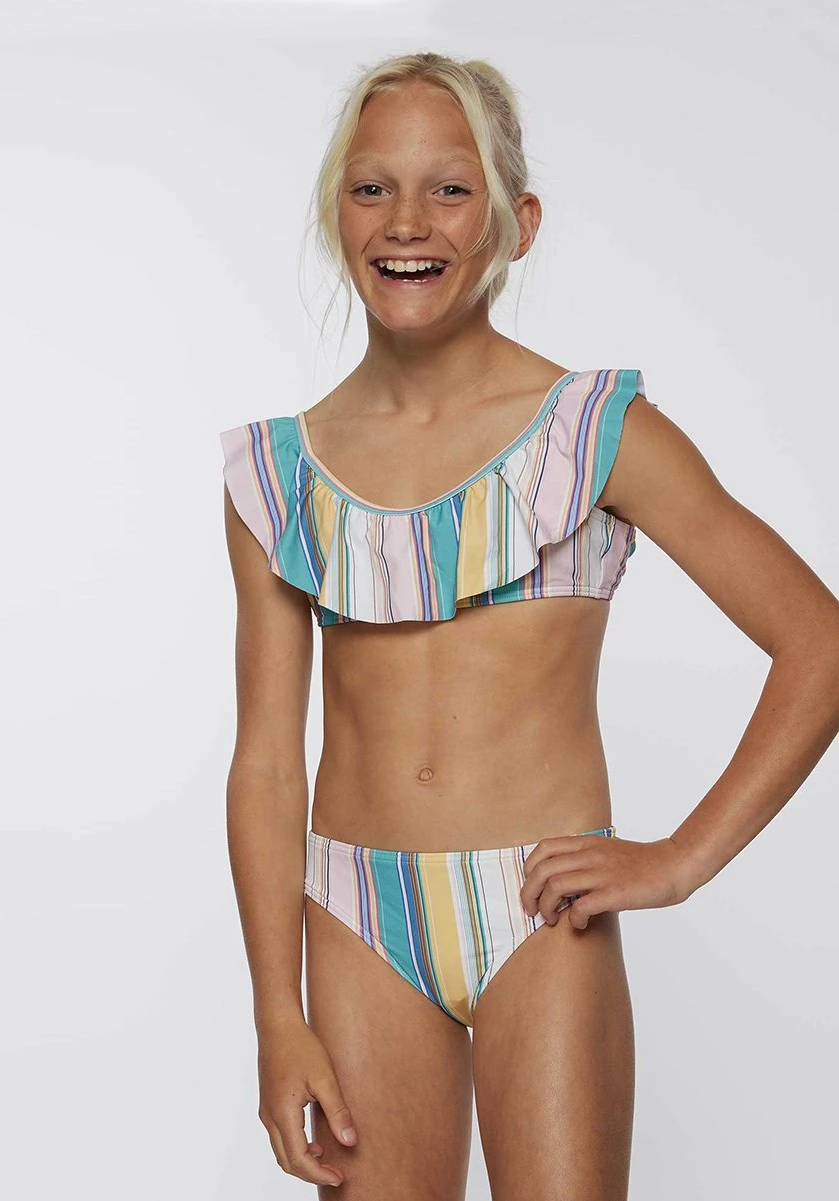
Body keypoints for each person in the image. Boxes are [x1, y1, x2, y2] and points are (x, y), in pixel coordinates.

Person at [218, 52, 839, 1199]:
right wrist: (275, 1013)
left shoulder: (593, 434)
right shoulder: (280, 473)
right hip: (354, 917)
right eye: (371, 187)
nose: (408, 220)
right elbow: (266, 760)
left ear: (517, 223)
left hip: (535, 912)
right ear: (334, 213)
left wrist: (680, 861)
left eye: (450, 189)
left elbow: (819, 641)